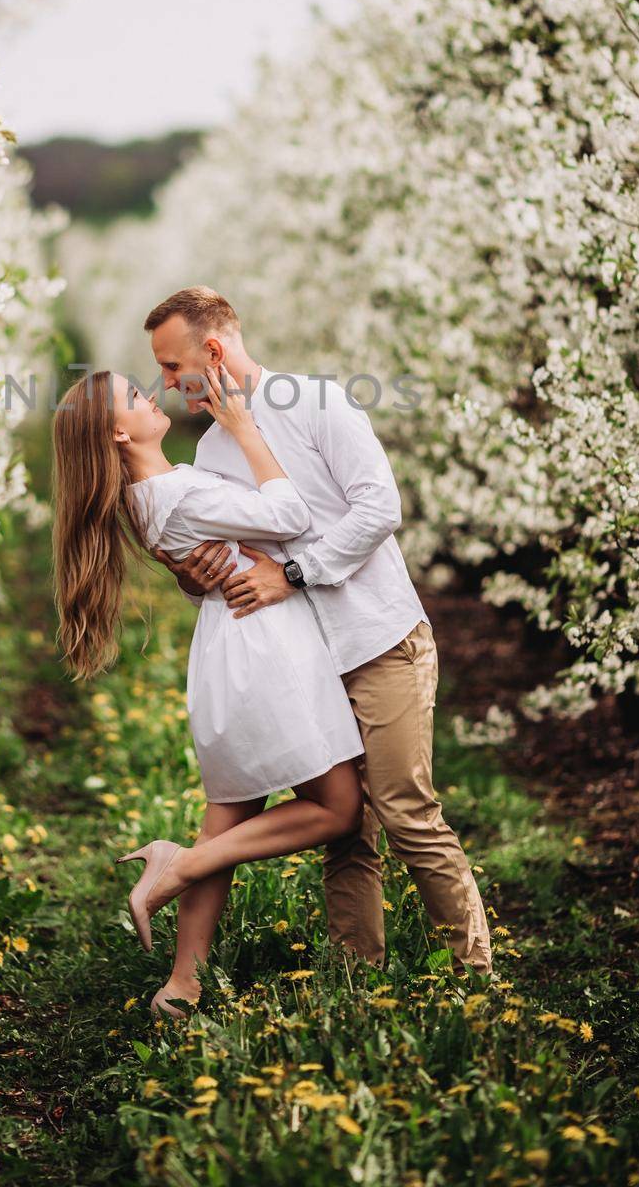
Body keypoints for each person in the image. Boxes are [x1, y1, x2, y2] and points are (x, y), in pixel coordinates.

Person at [144, 286, 492, 977]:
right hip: (301, 660)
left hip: (378, 638)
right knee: (347, 829)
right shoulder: (212, 449)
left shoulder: (316, 403)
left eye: (169, 365)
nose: (165, 383)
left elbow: (377, 509)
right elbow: (225, 566)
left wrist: (293, 573)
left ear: (211, 351)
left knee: (405, 811)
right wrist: (192, 573)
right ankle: (354, 979)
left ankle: (474, 974)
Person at [52, 365, 364, 1016]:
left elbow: (206, 553)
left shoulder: (149, 494)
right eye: (136, 397)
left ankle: (182, 983)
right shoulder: (172, 489)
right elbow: (289, 514)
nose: (152, 394)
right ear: (116, 430)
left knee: (229, 815)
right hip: (263, 651)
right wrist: (244, 426)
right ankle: (178, 865)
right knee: (337, 809)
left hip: (228, 654)